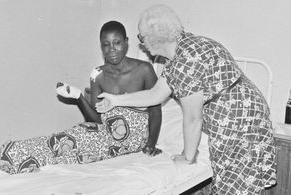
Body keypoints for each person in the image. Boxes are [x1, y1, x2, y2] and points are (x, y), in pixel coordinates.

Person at [95, 5, 277, 195]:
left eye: (141, 37)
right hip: (247, 108)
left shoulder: (184, 62)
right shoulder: (181, 50)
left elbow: (193, 119)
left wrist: (188, 157)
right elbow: (155, 94)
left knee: (234, 187)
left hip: (238, 120)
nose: (142, 44)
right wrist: (115, 100)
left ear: (154, 37)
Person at [0, 21, 162, 175]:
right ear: (101, 47)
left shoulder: (144, 70)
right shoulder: (98, 75)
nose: (112, 50)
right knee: (61, 140)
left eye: (117, 43)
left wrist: (151, 145)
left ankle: (11, 160)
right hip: (101, 134)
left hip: (129, 141)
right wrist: (78, 96)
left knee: (67, 151)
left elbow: (155, 110)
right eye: (106, 45)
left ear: (126, 42)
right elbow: (96, 119)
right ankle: (8, 155)